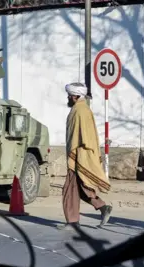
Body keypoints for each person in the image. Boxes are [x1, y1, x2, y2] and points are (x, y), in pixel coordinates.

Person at [57, 82, 113, 230]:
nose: (68, 97)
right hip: (81, 155)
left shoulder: (79, 111)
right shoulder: (83, 109)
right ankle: (102, 207)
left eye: (70, 95)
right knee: (81, 187)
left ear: (75, 96)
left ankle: (73, 222)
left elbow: (80, 137)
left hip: (78, 156)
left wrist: (75, 156)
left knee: (70, 190)